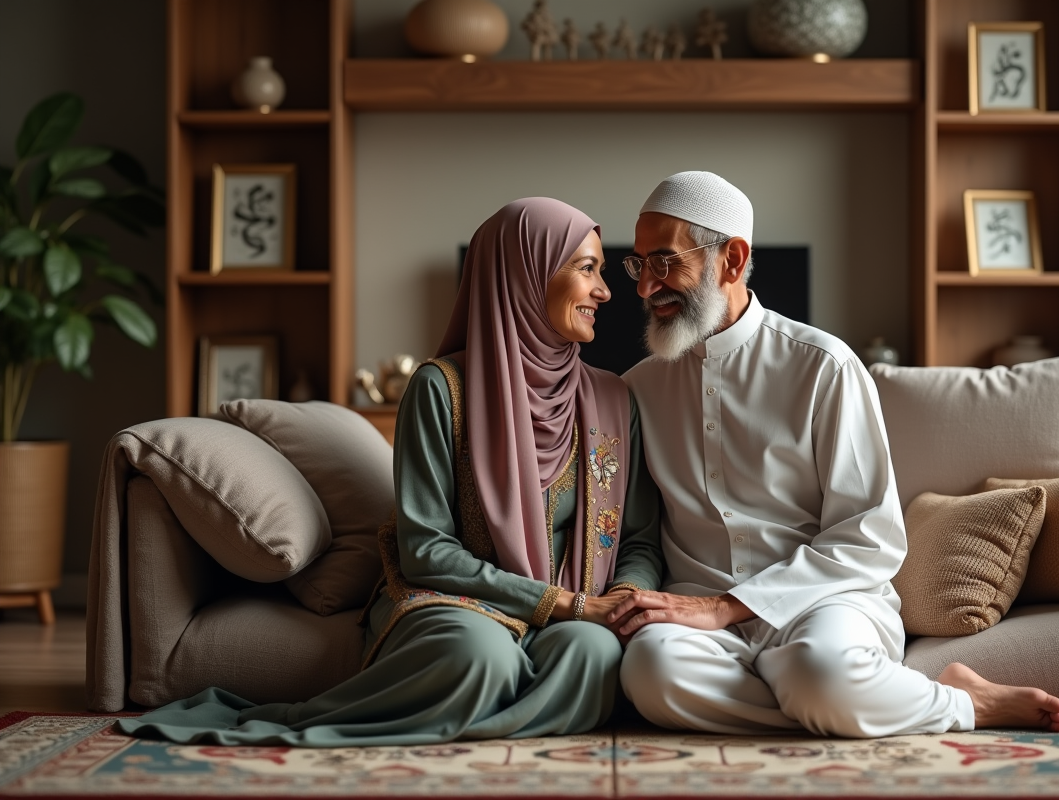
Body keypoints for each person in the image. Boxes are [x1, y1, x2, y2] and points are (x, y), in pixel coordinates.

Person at [118, 197, 663, 746]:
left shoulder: (614, 398)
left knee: (595, 655)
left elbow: (639, 539)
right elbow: (425, 548)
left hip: (579, 608)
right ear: (523, 273)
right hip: (458, 600)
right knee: (479, 656)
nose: (604, 291)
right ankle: (495, 722)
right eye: (586, 268)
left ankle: (470, 731)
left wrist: (624, 601)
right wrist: (561, 603)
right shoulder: (441, 389)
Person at [608, 171, 1059, 738]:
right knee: (650, 673)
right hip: (694, 611)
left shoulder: (824, 367)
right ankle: (834, 699)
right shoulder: (635, 389)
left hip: (822, 604)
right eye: (638, 265)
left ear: (731, 260)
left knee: (819, 668)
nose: (643, 288)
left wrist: (731, 607)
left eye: (664, 262)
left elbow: (870, 537)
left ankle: (961, 702)